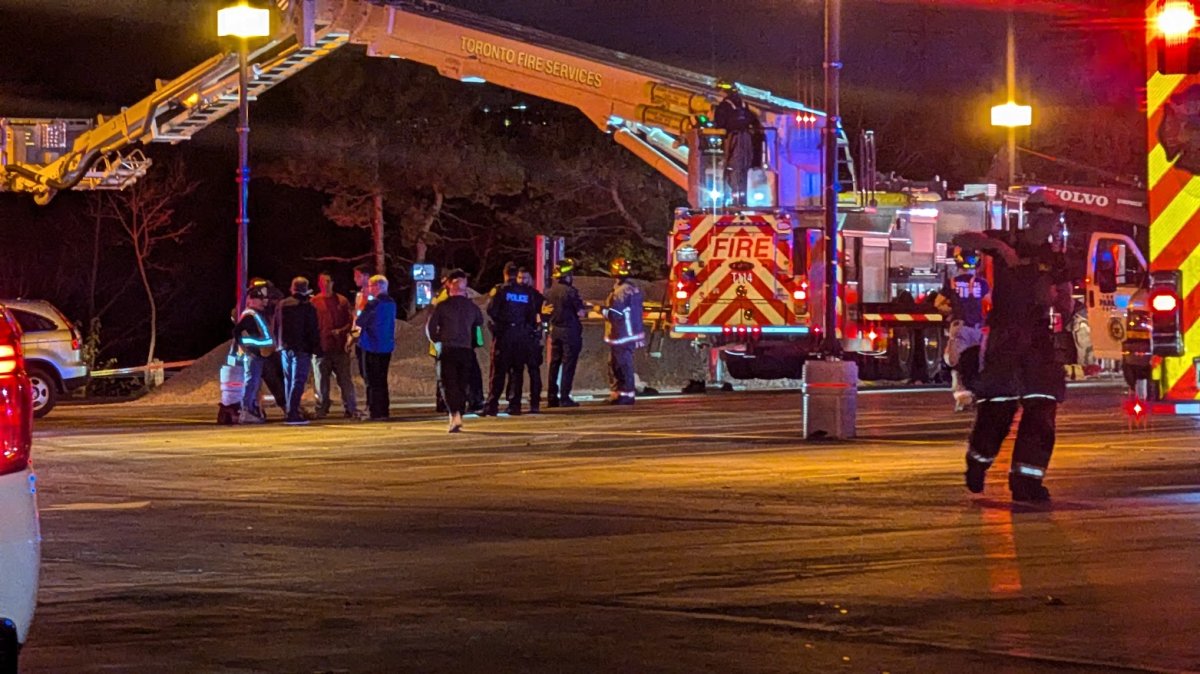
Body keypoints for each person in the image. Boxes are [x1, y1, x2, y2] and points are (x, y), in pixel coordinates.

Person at [952, 210, 1072, 502]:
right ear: (1032, 219)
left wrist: (1056, 301)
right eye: (1044, 219)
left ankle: (1027, 482)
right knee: (998, 408)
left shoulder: (1055, 258)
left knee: (1042, 408)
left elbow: (1066, 299)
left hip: (1039, 338)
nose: (1049, 226)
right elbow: (960, 239)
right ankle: (978, 462)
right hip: (1005, 337)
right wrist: (999, 248)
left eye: (1053, 220)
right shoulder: (1005, 240)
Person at [427, 269, 485, 432]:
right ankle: (459, 411)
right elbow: (479, 322)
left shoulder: (442, 306)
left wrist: (437, 340)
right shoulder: (472, 307)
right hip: (465, 349)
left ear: (449, 286)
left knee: (447, 383)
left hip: (447, 349)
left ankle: (455, 414)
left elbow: (430, 328)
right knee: (462, 383)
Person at [484, 262, 538, 416]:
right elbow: (531, 315)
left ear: (505, 274)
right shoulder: (526, 293)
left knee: (498, 371)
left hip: (504, 334)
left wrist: (500, 323)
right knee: (517, 371)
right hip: (521, 335)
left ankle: (492, 405)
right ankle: (515, 405)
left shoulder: (501, 290)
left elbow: (491, 310)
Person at [944, 251, 990, 411]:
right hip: (978, 328)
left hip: (959, 327)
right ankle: (978, 395)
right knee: (979, 362)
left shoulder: (952, 282)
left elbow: (939, 303)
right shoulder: (982, 283)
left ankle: (962, 399)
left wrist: (951, 313)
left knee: (957, 364)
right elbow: (989, 303)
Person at [311, 272, 359, 419]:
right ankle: (322, 408)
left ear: (333, 283)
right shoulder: (314, 302)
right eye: (323, 281)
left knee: (345, 380)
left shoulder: (342, 301)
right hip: (321, 349)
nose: (326, 284)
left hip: (339, 348)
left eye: (329, 281)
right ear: (319, 283)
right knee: (321, 382)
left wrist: (342, 332)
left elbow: (350, 321)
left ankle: (351, 408)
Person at [598, 257, 646, 405]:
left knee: (621, 365)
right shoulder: (631, 288)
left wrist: (600, 310)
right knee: (618, 364)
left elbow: (615, 314)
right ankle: (621, 393)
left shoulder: (621, 291)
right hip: (627, 333)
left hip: (622, 334)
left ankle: (624, 395)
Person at [278, 276, 321, 425]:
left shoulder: (282, 305)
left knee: (288, 380)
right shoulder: (308, 307)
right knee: (298, 380)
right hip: (302, 348)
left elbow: (276, 325)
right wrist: (316, 347)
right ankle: (293, 412)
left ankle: (290, 410)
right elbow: (312, 330)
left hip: (285, 347)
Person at [544, 257, 586, 408]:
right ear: (568, 276)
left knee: (554, 364)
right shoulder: (571, 292)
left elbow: (546, 312)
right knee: (568, 365)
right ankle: (564, 397)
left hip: (555, 331)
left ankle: (551, 396)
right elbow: (581, 313)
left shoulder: (549, 292)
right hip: (570, 331)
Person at [713, 83, 763, 205]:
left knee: (733, 167)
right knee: (744, 169)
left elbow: (719, 124)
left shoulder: (724, 106)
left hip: (734, 139)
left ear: (722, 92)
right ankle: (742, 199)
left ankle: (735, 201)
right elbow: (753, 120)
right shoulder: (743, 105)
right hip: (747, 139)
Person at [356, 274, 397, 420]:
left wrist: (362, 304)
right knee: (382, 379)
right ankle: (384, 409)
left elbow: (360, 321)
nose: (369, 289)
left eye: (371, 286)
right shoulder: (392, 303)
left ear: (378, 286)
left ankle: (374, 410)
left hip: (371, 345)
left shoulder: (373, 304)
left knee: (371, 380)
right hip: (386, 345)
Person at [234, 283, 275, 425]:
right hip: (253, 355)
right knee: (251, 382)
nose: (264, 301)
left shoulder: (256, 314)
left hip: (257, 354)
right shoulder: (250, 315)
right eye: (260, 298)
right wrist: (253, 346)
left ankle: (251, 409)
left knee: (254, 382)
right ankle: (246, 410)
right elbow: (238, 334)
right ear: (251, 299)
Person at [507, 267, 545, 414]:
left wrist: (539, 330)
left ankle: (534, 402)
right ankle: (514, 402)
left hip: (531, 337)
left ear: (531, 280)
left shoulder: (536, 296)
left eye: (525, 278)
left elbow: (544, 313)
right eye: (520, 278)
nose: (522, 281)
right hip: (517, 338)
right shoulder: (513, 295)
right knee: (516, 371)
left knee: (533, 371)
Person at [351, 263, 372, 382]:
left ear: (366, 276)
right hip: (359, 338)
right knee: (362, 369)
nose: (355, 279)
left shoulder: (373, 295)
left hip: (369, 337)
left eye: (357, 276)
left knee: (368, 370)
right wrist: (353, 335)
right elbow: (356, 317)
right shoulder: (359, 295)